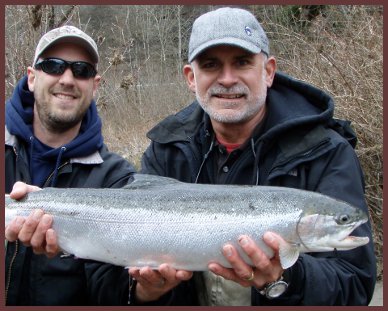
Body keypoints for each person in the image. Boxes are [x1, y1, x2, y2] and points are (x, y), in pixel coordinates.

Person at [136, 7, 376, 305]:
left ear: (269, 71)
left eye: (242, 63)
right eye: (211, 65)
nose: (226, 79)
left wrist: (287, 278)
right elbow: (119, 281)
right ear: (190, 77)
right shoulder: (166, 149)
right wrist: (145, 293)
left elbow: (354, 287)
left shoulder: (327, 152)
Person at [4, 25, 136, 305]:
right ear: (31, 77)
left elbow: (111, 292)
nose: (67, 79)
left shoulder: (117, 179)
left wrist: (146, 291)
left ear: (95, 85)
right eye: (53, 66)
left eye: (81, 70)